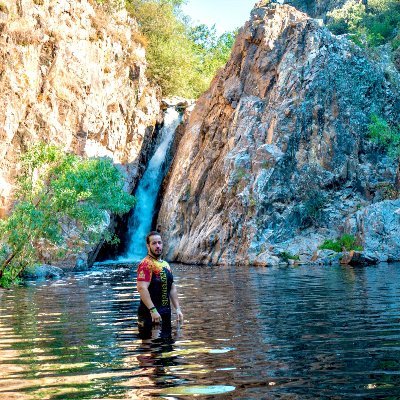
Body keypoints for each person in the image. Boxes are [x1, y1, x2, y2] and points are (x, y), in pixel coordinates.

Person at [136, 231, 183, 339]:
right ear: (148, 246)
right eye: (154, 243)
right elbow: (142, 288)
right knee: (151, 351)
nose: (158, 246)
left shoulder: (165, 264)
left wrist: (178, 309)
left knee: (167, 350)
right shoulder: (146, 264)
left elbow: (172, 288)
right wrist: (153, 310)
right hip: (149, 315)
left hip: (165, 313)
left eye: (159, 243)